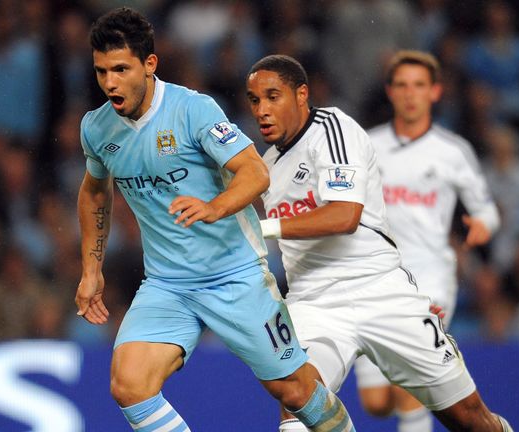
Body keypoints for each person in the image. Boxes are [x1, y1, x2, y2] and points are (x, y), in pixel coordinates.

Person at [74, 8, 356, 432]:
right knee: (128, 385)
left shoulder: (193, 110)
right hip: (168, 284)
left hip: (235, 274)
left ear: (149, 65)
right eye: (101, 71)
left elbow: (255, 172)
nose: (110, 82)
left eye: (120, 69)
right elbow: (95, 191)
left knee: (296, 392)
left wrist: (215, 207)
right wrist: (91, 269)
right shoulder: (97, 129)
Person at [246, 54, 511, 432]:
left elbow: (344, 216)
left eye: (273, 96)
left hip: (381, 291)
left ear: (301, 94)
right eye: (254, 100)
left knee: (469, 418)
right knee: (297, 399)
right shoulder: (266, 164)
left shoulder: (333, 128)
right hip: (314, 302)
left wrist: (266, 228)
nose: (262, 110)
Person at [354, 50, 502, 431]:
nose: (410, 94)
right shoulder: (366, 145)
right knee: (375, 402)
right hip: (376, 276)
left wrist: (482, 225)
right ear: (390, 92)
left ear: (435, 92)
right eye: (401, 85)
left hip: (431, 274)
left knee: (411, 375)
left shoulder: (452, 151)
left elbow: (485, 208)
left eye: (419, 85)